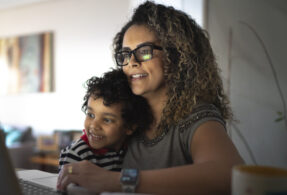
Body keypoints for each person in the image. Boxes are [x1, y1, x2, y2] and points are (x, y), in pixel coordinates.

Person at [57, 1, 244, 194]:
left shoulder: (195, 116)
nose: (131, 62)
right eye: (125, 54)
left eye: (144, 52)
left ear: (177, 56)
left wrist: (117, 180)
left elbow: (228, 174)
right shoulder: (129, 116)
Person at [59, 69, 153, 172]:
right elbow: (65, 184)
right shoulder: (78, 153)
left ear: (129, 126)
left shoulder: (132, 149)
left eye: (107, 120)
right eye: (91, 115)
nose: (94, 125)